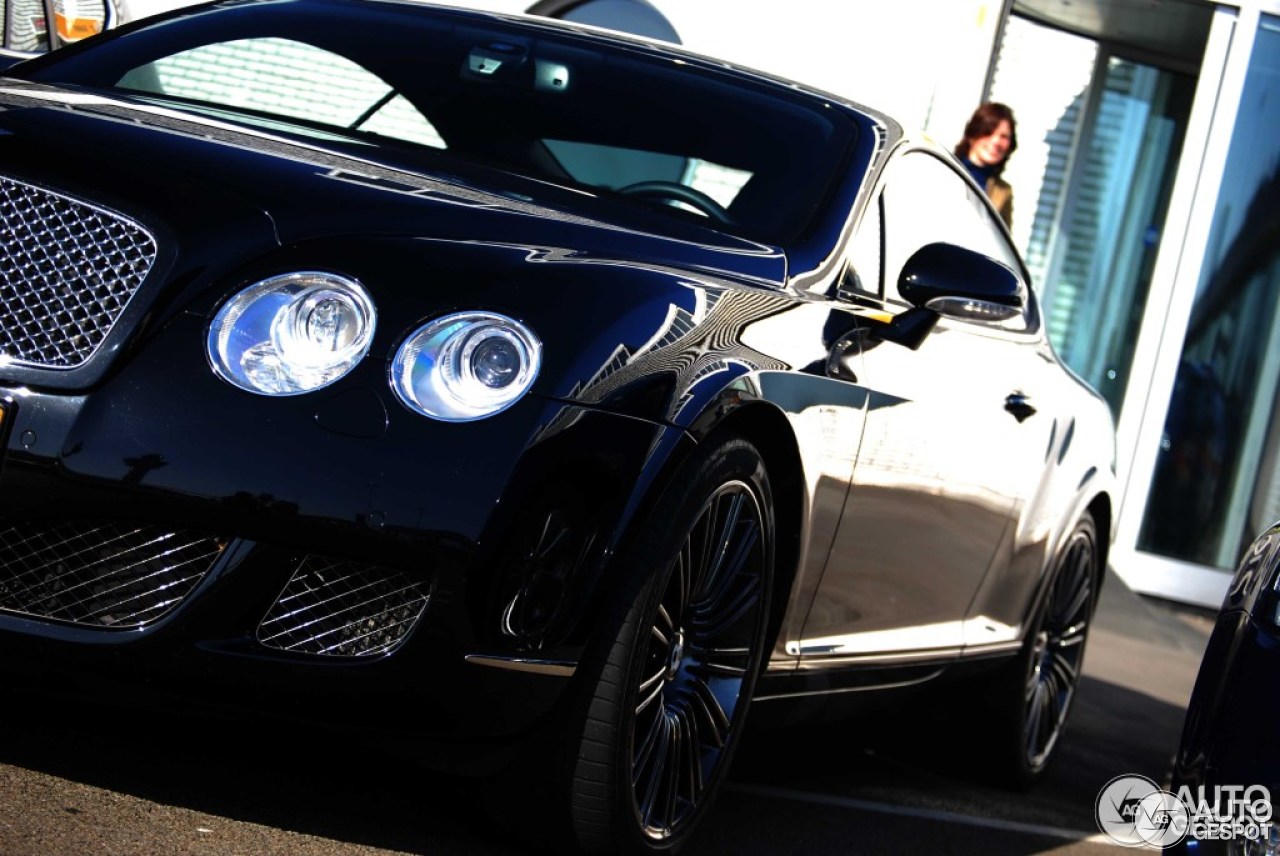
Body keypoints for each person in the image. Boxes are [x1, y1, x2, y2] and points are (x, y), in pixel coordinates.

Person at [955, 102, 1017, 228]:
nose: (996, 142)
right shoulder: (945, 169)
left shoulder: (1003, 192)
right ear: (972, 135)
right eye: (989, 132)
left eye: (1004, 136)